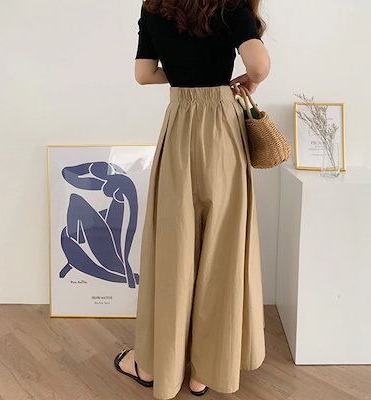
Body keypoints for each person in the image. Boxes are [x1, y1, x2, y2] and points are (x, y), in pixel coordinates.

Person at [114, 0, 270, 398]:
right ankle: (207, 369)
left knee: (175, 247)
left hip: (180, 123)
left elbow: (143, 75)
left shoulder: (154, 6)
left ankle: (155, 366)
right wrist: (237, 78)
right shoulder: (230, 5)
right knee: (222, 247)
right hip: (223, 130)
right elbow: (258, 66)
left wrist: (183, 69)